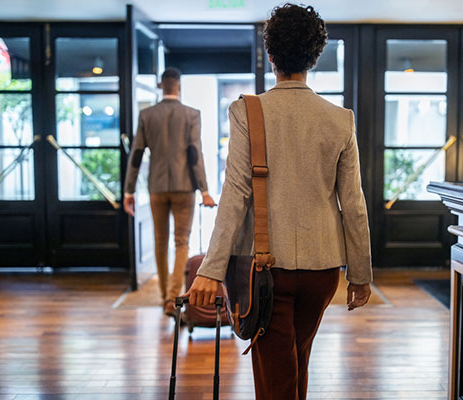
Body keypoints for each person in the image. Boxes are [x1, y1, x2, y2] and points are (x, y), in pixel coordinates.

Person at [185, 4, 372, 399]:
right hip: (323, 271)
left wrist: (211, 269)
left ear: (271, 56)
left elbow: (235, 194)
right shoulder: (341, 119)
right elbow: (353, 203)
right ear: (314, 57)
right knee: (295, 363)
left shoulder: (247, 112)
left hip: (266, 270)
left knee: (276, 378)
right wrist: (361, 272)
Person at [123, 67, 216, 316]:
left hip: (157, 187)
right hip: (185, 188)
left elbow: (136, 154)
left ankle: (164, 296)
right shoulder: (191, 114)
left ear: (160, 86)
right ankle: (173, 298)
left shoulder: (147, 115)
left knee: (160, 242)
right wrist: (204, 189)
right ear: (179, 86)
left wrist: (129, 191)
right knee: (181, 242)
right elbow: (195, 154)